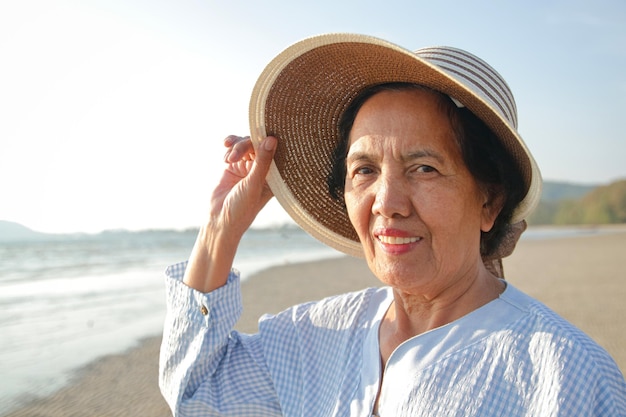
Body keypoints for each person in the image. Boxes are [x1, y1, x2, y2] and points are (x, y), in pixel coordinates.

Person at [159, 34, 626, 416]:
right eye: (364, 170)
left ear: (490, 201)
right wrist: (220, 232)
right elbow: (198, 393)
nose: (387, 202)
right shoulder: (317, 337)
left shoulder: (565, 378)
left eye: (424, 168)